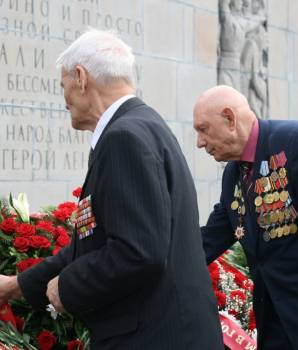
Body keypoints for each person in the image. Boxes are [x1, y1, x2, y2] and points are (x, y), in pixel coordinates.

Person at [0, 29, 224, 350]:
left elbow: (138, 251)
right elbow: (94, 246)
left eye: (63, 85)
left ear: (80, 77)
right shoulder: (142, 126)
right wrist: (15, 286)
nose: (63, 99)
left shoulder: (124, 138)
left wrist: (68, 287)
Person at [193, 85, 298, 350]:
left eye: (203, 129)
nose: (199, 142)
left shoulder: (296, 143)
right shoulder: (233, 173)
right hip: (275, 327)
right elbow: (211, 238)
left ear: (230, 119)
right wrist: (162, 257)